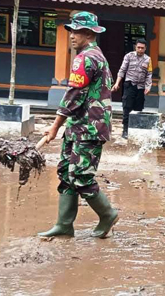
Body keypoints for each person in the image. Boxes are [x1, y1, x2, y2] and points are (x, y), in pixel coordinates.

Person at [38, 12, 119, 239]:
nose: (72, 36)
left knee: (81, 175)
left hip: (89, 128)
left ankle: (108, 213)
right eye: (71, 31)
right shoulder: (96, 56)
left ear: (90, 34)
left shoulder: (85, 58)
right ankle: (64, 224)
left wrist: (54, 126)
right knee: (66, 173)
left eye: (77, 32)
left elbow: (74, 95)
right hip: (78, 126)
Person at [112, 38, 152, 139]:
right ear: (135, 47)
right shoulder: (128, 56)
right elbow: (122, 70)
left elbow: (149, 74)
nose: (140, 50)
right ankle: (125, 130)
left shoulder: (148, 59)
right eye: (138, 47)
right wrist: (117, 83)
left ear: (145, 48)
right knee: (127, 107)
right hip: (129, 85)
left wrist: (148, 86)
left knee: (138, 109)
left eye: (142, 48)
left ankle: (135, 130)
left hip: (140, 87)